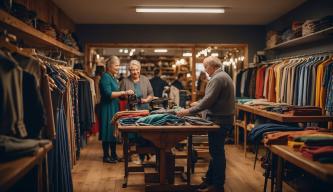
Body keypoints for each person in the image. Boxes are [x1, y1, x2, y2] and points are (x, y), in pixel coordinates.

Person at [177, 56, 235, 192]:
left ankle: (218, 185)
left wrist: (188, 111)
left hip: (219, 121)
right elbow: (213, 99)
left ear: (212, 66)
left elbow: (209, 101)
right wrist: (199, 103)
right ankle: (210, 180)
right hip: (221, 119)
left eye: (205, 67)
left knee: (217, 153)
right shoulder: (222, 76)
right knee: (215, 152)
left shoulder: (218, 78)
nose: (205, 70)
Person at [99, 56, 134, 163]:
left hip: (114, 106)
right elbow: (108, 94)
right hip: (107, 107)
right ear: (109, 66)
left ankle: (113, 154)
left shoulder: (113, 77)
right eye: (116, 65)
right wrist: (124, 92)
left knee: (114, 130)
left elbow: (116, 93)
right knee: (107, 130)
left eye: (119, 65)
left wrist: (125, 96)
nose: (118, 67)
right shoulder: (105, 77)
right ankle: (106, 156)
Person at [120, 60, 154, 164]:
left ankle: (144, 155)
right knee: (132, 134)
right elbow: (121, 97)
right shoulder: (125, 81)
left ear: (140, 69)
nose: (135, 72)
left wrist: (146, 100)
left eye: (137, 70)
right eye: (133, 70)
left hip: (144, 109)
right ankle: (133, 155)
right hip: (131, 110)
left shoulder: (145, 80)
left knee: (144, 133)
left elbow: (151, 93)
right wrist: (126, 95)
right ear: (130, 70)